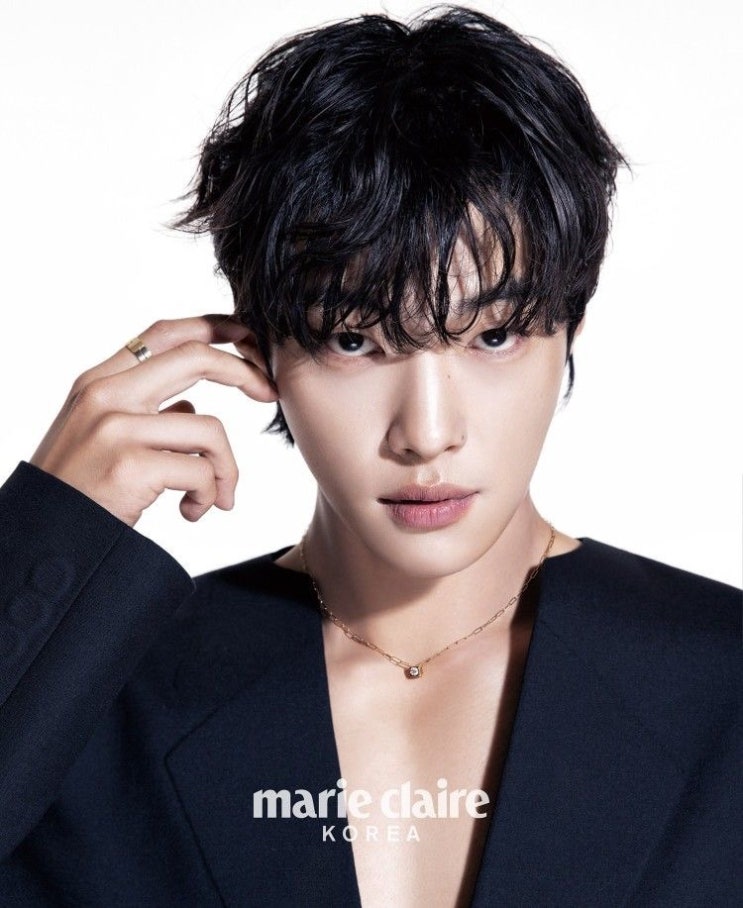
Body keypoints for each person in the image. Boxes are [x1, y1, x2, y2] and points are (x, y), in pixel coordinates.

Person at [0, 6, 739, 906]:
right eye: (354, 341)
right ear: (260, 351)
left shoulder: (721, 679)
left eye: (494, 335)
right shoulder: (93, 693)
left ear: (569, 327)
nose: (426, 432)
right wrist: (46, 543)